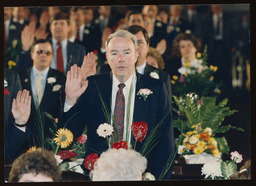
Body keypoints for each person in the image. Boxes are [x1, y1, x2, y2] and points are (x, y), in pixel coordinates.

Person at [62, 29, 174, 180]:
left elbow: (166, 143)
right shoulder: (93, 86)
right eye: (114, 53)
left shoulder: (156, 88)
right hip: (99, 174)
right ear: (107, 57)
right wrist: (70, 100)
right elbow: (70, 134)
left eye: (127, 52)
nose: (121, 59)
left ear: (136, 55)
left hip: (141, 174)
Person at [97, 25, 172, 101]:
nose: (136, 47)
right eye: (132, 43)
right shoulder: (104, 71)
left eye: (139, 42)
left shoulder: (162, 78)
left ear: (147, 46)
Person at [18, 39, 66, 147]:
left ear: (52, 56)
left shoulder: (61, 77)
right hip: (24, 139)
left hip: (50, 138)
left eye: (47, 52)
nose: (43, 55)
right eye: (39, 52)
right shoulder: (20, 77)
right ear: (32, 54)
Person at [16, 12, 86, 74]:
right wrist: (25, 49)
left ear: (68, 28)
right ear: (50, 28)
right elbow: (23, 70)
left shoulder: (79, 50)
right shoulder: (40, 46)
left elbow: (83, 73)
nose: (58, 27)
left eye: (62, 23)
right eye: (55, 24)